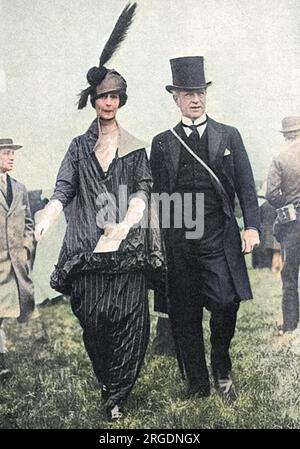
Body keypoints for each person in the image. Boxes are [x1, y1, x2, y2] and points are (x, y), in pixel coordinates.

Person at [35, 3, 165, 421]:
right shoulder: (77, 147)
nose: (108, 102)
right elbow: (63, 188)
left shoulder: (135, 147)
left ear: (121, 100)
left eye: (114, 96)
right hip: (86, 248)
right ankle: (107, 381)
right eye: (102, 96)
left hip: (125, 246)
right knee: (93, 320)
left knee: (130, 319)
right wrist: (50, 212)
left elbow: (144, 189)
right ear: (92, 101)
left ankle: (117, 398)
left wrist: (127, 224)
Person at [150, 56, 260, 397]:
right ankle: (198, 383)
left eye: (199, 92)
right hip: (178, 238)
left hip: (217, 234)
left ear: (206, 94)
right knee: (184, 312)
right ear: (175, 98)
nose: (195, 99)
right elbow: (155, 194)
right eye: (187, 93)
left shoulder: (228, 135)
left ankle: (221, 364)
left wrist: (252, 227)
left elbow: (245, 184)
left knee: (226, 302)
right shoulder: (163, 142)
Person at [0, 138, 36, 380]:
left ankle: (1, 363)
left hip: (14, 264)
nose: (11, 157)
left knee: (2, 315)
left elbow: (29, 225)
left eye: (13, 153)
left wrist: (26, 247)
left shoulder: (19, 188)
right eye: (6, 153)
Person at [266, 116, 300, 343]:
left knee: (290, 276)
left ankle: (290, 325)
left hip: (292, 224)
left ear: (285, 135)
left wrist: (289, 203)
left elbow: (270, 195)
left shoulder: (280, 158)